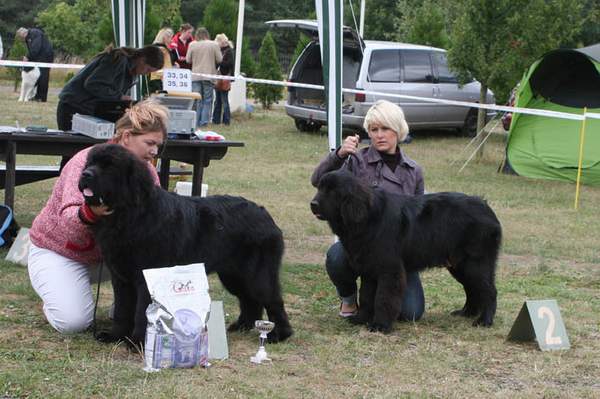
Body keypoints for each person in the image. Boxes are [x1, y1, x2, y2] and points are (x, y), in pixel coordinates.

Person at [28, 99, 169, 334]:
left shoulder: (147, 170)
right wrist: (89, 213)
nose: (155, 151)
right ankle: (55, 295)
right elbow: (69, 223)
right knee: (73, 322)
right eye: (149, 143)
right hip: (61, 252)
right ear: (126, 137)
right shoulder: (84, 161)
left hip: (109, 257)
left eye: (158, 145)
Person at [311, 100, 426, 321]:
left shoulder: (413, 170)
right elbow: (318, 181)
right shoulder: (356, 161)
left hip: (397, 254)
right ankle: (349, 298)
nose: (379, 135)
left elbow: (419, 216)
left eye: (385, 129)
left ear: (398, 130)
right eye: (374, 130)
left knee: (411, 313)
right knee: (336, 256)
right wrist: (340, 155)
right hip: (360, 247)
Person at [57, 45, 163, 131]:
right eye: (148, 70)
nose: (146, 74)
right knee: (74, 152)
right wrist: (119, 97)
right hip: (74, 107)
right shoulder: (118, 59)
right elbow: (93, 84)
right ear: (142, 59)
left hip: (84, 108)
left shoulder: (129, 68)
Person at [186, 27, 222, 128]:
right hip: (208, 75)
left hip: (195, 76)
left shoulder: (192, 44)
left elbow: (188, 60)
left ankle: (196, 122)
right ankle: (204, 122)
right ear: (207, 35)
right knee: (207, 100)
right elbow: (220, 59)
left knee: (197, 100)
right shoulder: (214, 44)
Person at [16, 27, 54, 102]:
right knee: (38, 77)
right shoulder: (29, 37)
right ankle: (36, 96)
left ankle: (41, 98)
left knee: (43, 77)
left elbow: (36, 48)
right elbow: (33, 50)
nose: (22, 39)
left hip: (46, 57)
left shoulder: (35, 33)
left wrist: (28, 57)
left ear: (23, 34)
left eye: (21, 37)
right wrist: (28, 57)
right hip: (40, 57)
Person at [212, 34, 234, 125]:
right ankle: (216, 120)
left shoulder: (229, 51)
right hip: (219, 77)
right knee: (217, 101)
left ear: (221, 42)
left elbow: (230, 63)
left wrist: (220, 62)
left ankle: (226, 120)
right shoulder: (220, 50)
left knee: (224, 101)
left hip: (225, 77)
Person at [149, 27, 178, 93]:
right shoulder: (163, 50)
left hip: (154, 78)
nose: (172, 40)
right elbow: (167, 65)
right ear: (165, 38)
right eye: (171, 38)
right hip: (162, 79)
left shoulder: (154, 48)